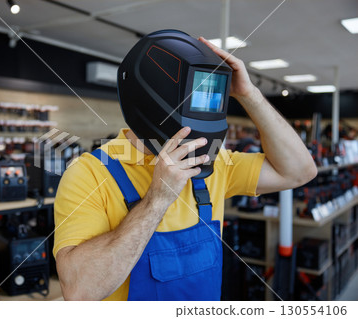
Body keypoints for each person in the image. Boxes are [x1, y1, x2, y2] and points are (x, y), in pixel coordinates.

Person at [53, 34, 317, 301]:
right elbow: (79, 292)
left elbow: (300, 171)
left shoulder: (211, 162)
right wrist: (157, 198)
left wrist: (250, 95)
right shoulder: (89, 173)